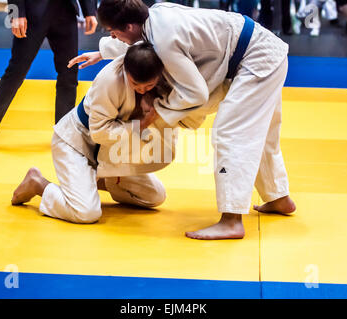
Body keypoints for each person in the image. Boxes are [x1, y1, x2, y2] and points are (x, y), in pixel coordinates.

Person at [68, 0, 296, 240]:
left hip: (256, 59)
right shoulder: (155, 16)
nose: (114, 37)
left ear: (129, 26)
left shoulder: (163, 39)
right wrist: (102, 52)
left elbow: (196, 93)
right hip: (262, 49)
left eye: (114, 33)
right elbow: (145, 45)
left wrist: (160, 112)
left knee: (231, 133)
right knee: (264, 132)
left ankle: (232, 220)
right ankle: (278, 197)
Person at [11, 43, 178, 224]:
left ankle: (92, 182)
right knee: (86, 213)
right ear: (126, 70)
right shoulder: (109, 81)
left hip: (110, 152)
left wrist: (102, 52)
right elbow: (99, 133)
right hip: (77, 143)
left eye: (149, 85)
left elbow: (135, 42)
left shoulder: (165, 77)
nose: (142, 89)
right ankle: (38, 184)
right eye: (135, 83)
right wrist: (144, 123)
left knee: (154, 196)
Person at [0, 0, 98, 151]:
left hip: (65, 13)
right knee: (15, 73)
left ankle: (64, 135)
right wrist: (16, 14)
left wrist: (89, 11)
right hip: (30, 15)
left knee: (69, 76)